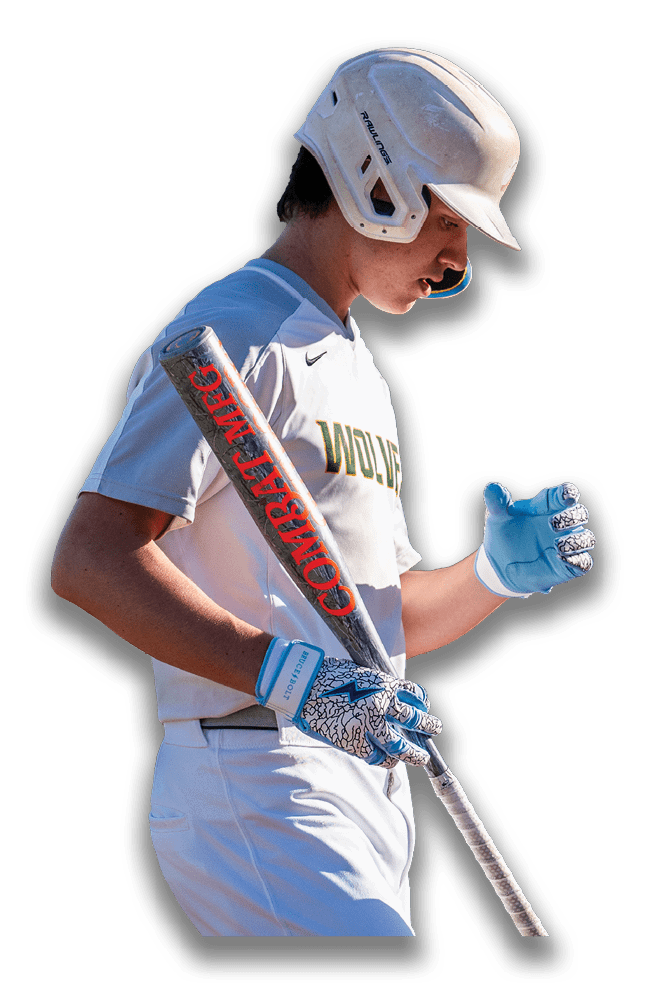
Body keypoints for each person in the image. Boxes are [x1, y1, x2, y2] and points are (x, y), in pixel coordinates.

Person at [50, 47, 595, 939]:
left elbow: (373, 624)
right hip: (259, 776)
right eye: (450, 221)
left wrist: (491, 576)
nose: (456, 261)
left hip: (364, 782)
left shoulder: (359, 367)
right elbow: (90, 560)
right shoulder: (235, 331)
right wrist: (294, 680)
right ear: (378, 181)